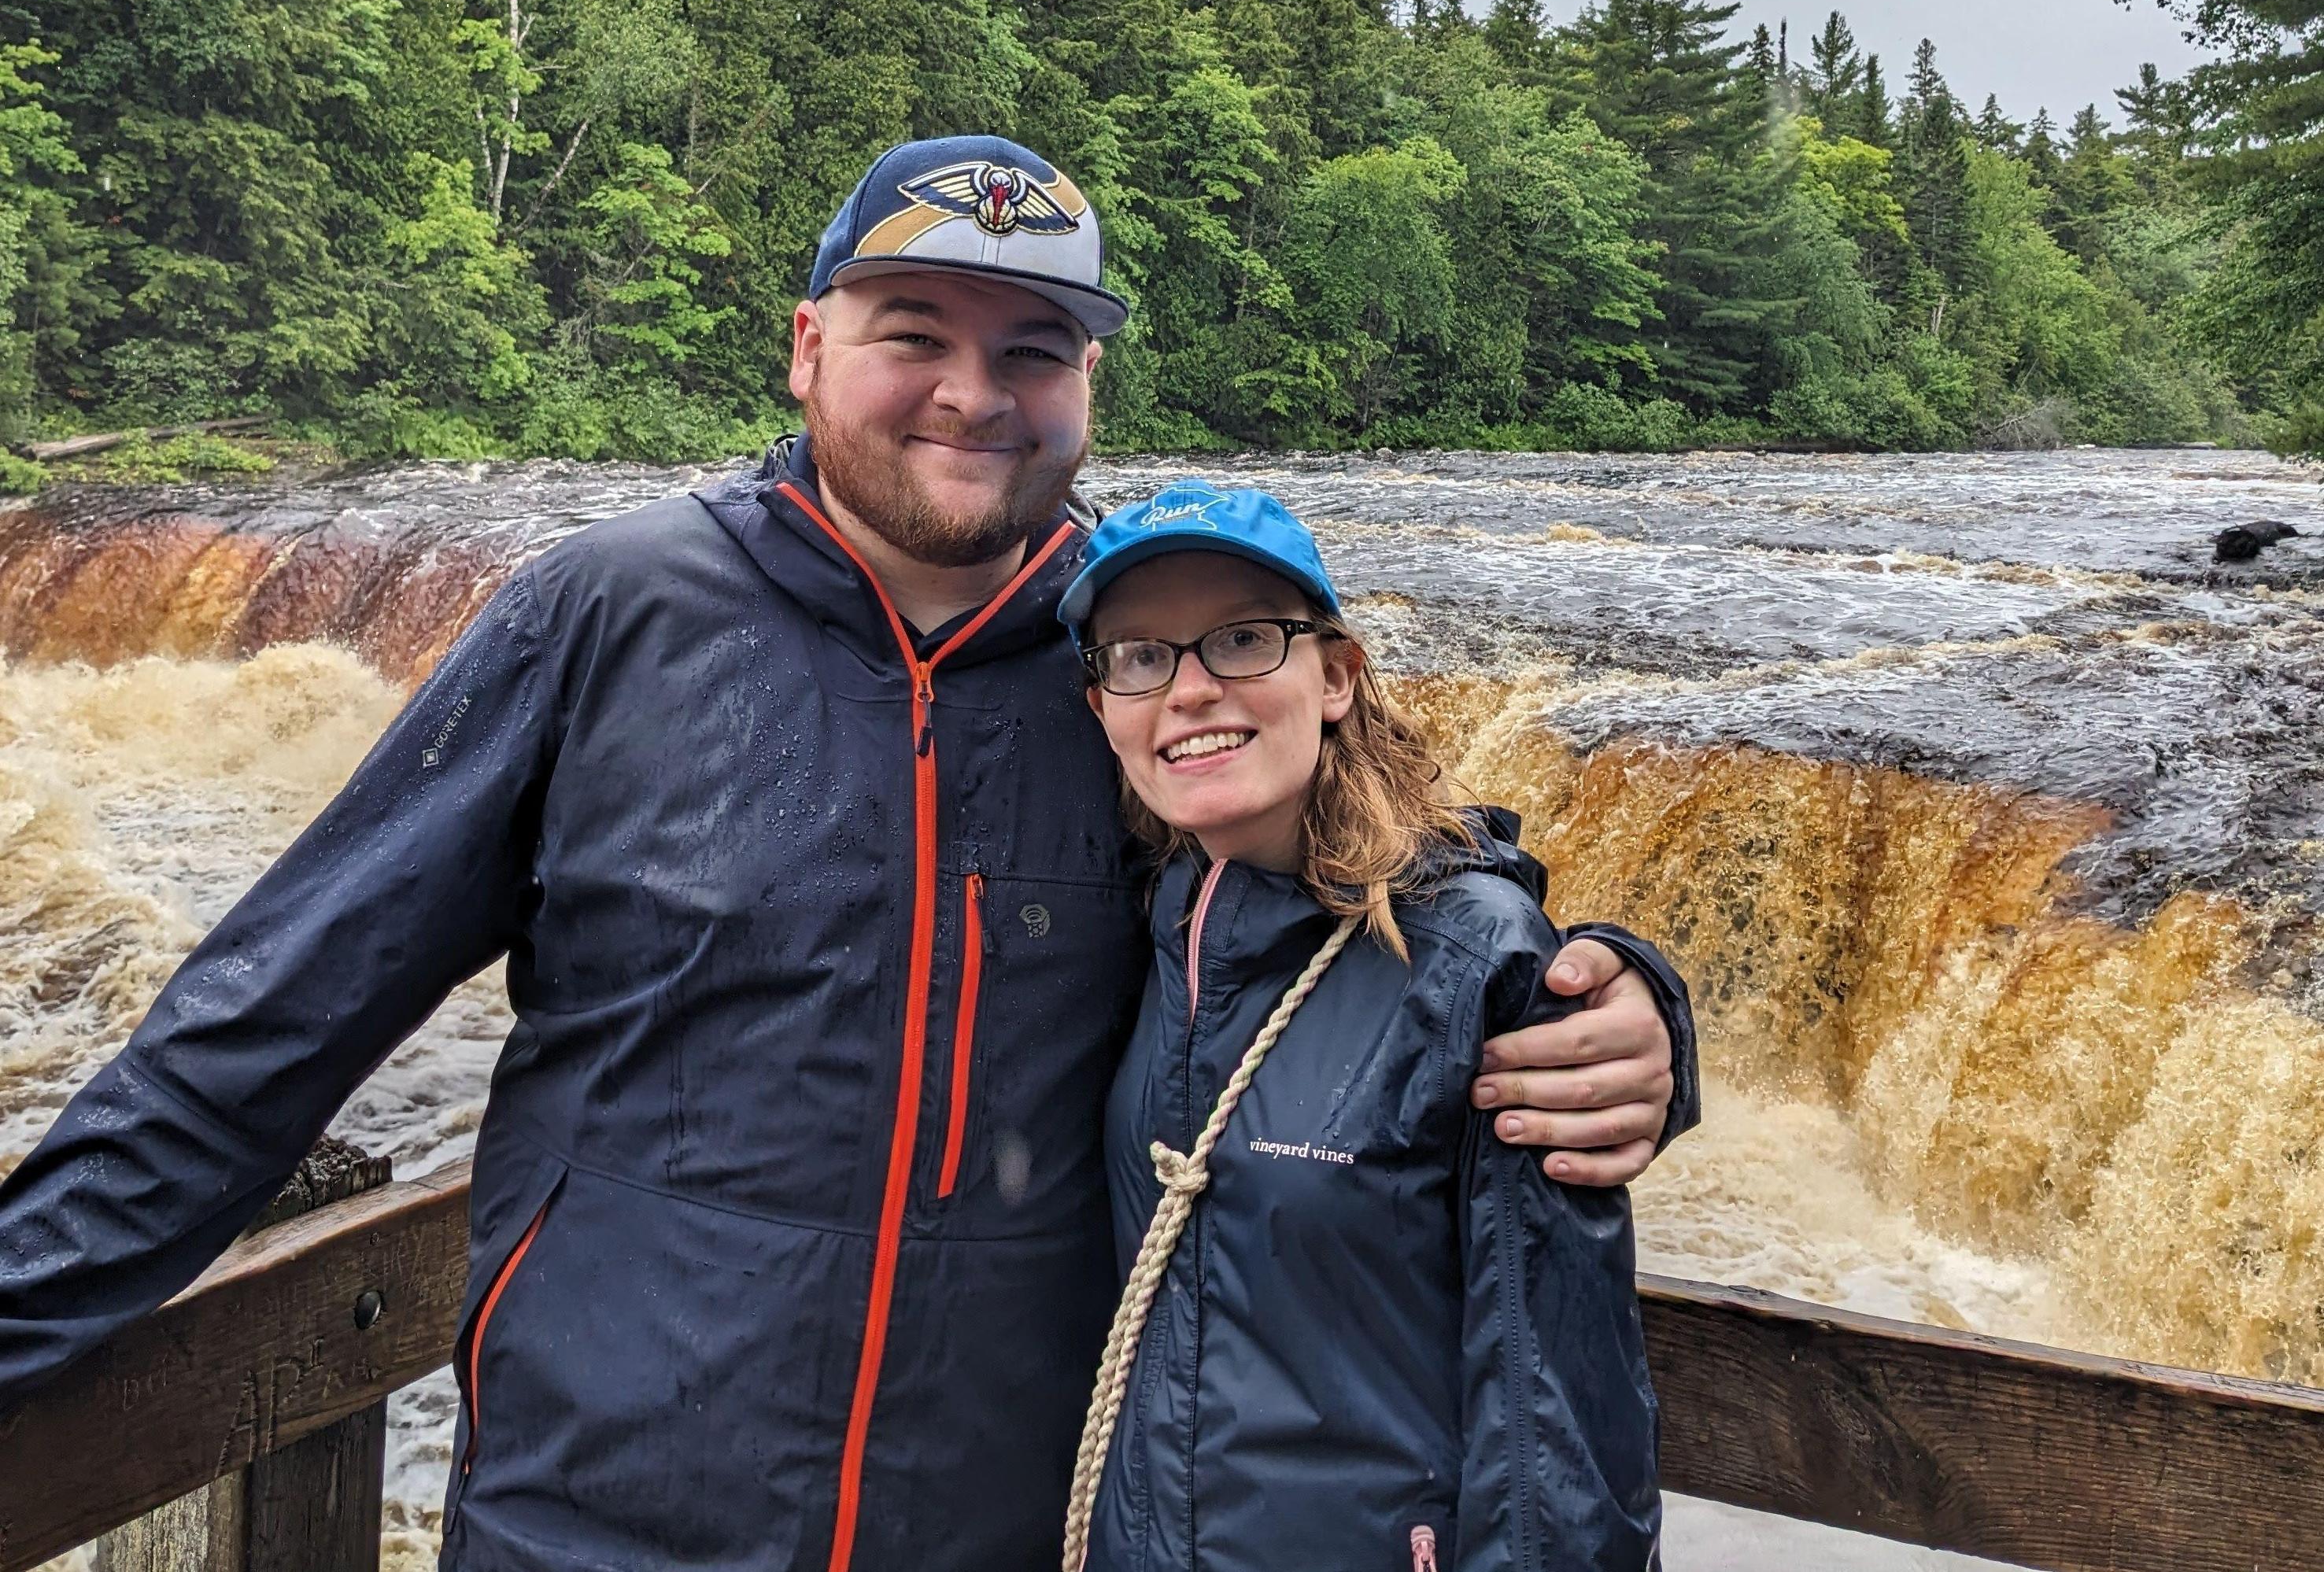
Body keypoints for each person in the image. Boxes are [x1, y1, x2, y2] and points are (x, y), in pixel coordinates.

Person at [0, 135, 1695, 1571]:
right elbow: (264, 1019)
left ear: (1087, 382)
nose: (974, 389)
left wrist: (1629, 1011)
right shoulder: (613, 614)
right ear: (808, 344)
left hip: (998, 1522)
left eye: (1033, 344)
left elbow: (1392, 878)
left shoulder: (1144, 667)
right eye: (914, 331)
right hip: (592, 1516)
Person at [1059, 484, 1660, 1572]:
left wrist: (1637, 995)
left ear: (1333, 675)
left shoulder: (1476, 957)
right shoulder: (1149, 908)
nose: (1189, 690)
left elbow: (1557, 1407)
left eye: (1242, 641)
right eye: (1140, 656)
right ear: (1101, 703)